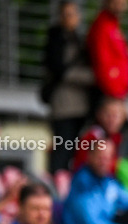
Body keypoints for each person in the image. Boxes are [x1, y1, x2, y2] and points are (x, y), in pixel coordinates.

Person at [44, 0, 95, 174]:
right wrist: (91, 77)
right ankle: (57, 184)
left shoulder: (77, 39)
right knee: (62, 148)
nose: (69, 19)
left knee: (74, 150)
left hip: (79, 107)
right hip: (64, 107)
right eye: (65, 15)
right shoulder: (57, 39)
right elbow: (59, 70)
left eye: (72, 14)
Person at [87, 0, 128, 102]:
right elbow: (102, 63)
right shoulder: (102, 26)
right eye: (116, 3)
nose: (120, 7)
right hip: (110, 94)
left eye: (123, 4)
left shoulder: (112, 25)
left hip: (116, 92)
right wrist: (116, 93)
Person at [73, 97, 127, 172]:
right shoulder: (91, 136)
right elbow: (79, 164)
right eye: (108, 115)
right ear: (99, 115)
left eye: (116, 116)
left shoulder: (119, 137)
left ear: (124, 117)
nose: (111, 120)